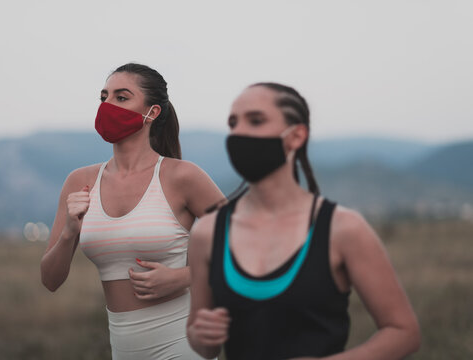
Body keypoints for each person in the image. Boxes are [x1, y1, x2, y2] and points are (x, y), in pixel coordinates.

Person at [186, 82, 421, 360]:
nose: (238, 133)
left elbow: (404, 332)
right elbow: (202, 343)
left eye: (256, 121)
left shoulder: (342, 229)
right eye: (233, 123)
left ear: (296, 136)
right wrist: (202, 336)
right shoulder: (208, 233)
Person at [41, 63, 224, 359]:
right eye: (104, 97)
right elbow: (50, 281)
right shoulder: (80, 182)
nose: (108, 105)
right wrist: (68, 233)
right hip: (123, 349)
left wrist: (185, 277)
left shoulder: (183, 177)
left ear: (152, 112)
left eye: (121, 97)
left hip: (185, 344)